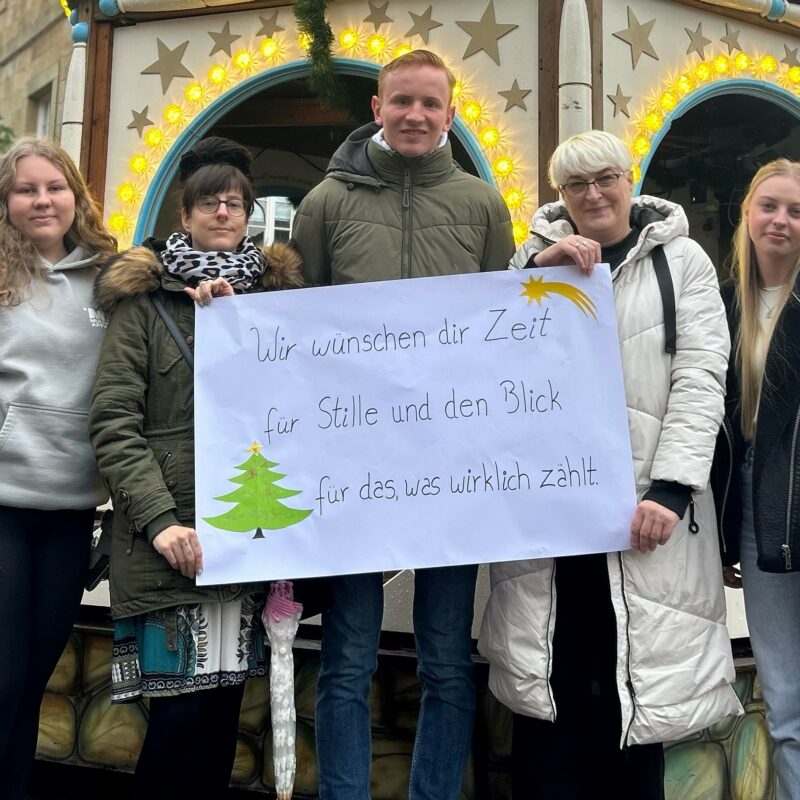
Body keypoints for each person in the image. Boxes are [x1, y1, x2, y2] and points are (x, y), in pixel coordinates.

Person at [477, 129, 742, 800]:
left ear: (631, 178)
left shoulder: (682, 262)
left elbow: (702, 377)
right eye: (575, 184)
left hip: (645, 519)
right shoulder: (529, 261)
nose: (593, 193)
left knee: (634, 694)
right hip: (554, 521)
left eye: (605, 178)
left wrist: (674, 490)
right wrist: (541, 275)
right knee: (554, 691)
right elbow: (489, 365)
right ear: (559, 195)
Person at [291, 49, 514, 799]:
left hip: (452, 464)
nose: (415, 115)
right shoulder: (326, 202)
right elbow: (299, 320)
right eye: (401, 102)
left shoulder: (482, 204)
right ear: (378, 108)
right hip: (355, 466)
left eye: (430, 104)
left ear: (450, 115)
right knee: (349, 653)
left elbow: (504, 325)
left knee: (447, 656)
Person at [89, 137, 304, 798]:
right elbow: (114, 421)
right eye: (208, 201)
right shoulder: (143, 303)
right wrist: (158, 522)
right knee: (176, 722)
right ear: (184, 214)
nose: (222, 212)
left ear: (249, 216)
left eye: (235, 202)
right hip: (170, 546)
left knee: (219, 725)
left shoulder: (274, 303)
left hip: (243, 542)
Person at [0, 137, 117, 799]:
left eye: (54, 187)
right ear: (6, 203)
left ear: (76, 196)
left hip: (72, 512)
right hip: (4, 506)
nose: (42, 200)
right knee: (2, 679)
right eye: (25, 189)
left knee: (32, 684)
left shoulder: (115, 276)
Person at [711, 158, 800, 800]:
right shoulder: (721, 306)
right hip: (756, 514)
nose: (782, 220)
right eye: (770, 205)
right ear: (748, 214)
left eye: (796, 210)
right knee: (787, 695)